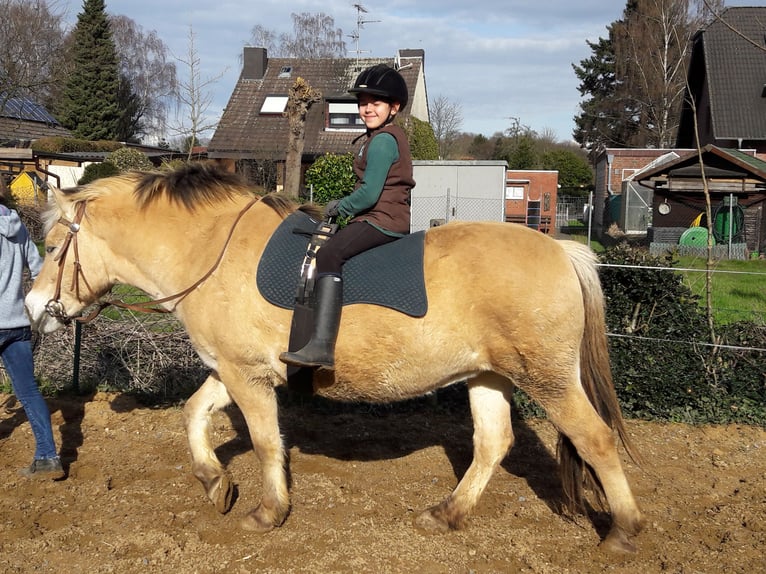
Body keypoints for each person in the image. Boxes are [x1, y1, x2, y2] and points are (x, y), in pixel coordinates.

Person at [280, 64, 415, 370]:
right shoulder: (378, 136)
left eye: (376, 103)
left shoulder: (382, 141)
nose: (367, 108)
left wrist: (339, 206)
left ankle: (321, 348)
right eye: (363, 103)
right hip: (380, 216)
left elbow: (369, 194)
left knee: (329, 255)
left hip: (382, 219)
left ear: (394, 108)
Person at [0, 182, 64, 479]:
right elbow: (39, 270)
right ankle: (48, 457)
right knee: (28, 392)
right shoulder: (17, 226)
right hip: (16, 323)